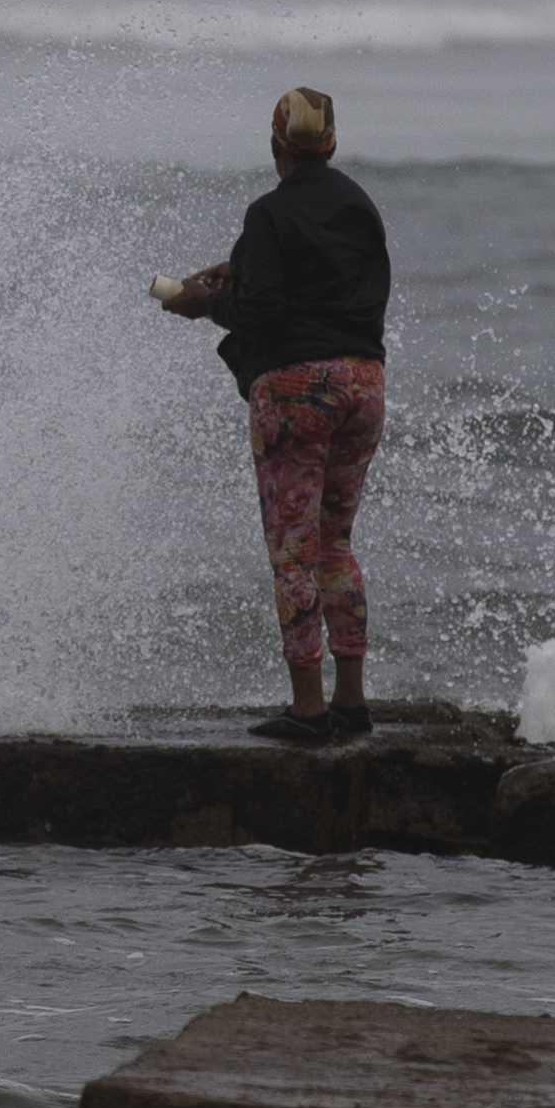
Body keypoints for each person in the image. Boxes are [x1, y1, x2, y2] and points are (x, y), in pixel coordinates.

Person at [152, 85, 390, 741]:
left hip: (297, 390)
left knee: (293, 549)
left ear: (275, 145)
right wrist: (241, 270)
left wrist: (200, 303)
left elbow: (262, 313)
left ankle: (307, 710)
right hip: (364, 381)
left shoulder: (268, 213)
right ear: (333, 143)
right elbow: (331, 279)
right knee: (335, 544)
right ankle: (351, 702)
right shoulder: (358, 204)